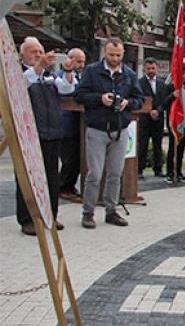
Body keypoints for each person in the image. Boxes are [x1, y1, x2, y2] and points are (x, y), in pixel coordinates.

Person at [75, 37, 144, 229]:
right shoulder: (92, 71)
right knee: (95, 174)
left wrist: (127, 103)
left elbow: (139, 99)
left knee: (115, 173)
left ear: (123, 54)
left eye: (118, 55)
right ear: (105, 52)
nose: (115, 58)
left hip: (120, 129)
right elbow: (79, 96)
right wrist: (100, 99)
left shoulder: (129, 74)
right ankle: (88, 212)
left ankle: (111, 210)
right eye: (111, 54)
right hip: (97, 129)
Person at [16, 37, 76, 235]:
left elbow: (67, 89)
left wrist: (68, 71)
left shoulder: (49, 75)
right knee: (28, 177)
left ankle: (50, 214)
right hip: (29, 134)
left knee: (51, 176)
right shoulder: (18, 73)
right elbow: (19, 87)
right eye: (33, 52)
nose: (38, 55)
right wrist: (38, 67)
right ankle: (27, 219)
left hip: (52, 131)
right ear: (22, 54)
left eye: (40, 51)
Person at [57, 48, 86, 202]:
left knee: (78, 158)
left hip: (80, 123)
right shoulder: (60, 76)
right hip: (66, 124)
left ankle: (70, 185)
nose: (81, 65)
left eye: (83, 62)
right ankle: (63, 187)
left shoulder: (83, 77)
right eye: (78, 61)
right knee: (69, 159)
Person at [163, 63, 185, 184]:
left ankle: (179, 171)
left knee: (181, 149)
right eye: (183, 73)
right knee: (173, 148)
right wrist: (173, 95)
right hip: (174, 122)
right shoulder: (170, 86)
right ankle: (170, 172)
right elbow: (164, 103)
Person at [137, 57, 168, 178]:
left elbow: (164, 100)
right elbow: (139, 99)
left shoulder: (162, 84)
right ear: (144, 69)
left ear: (157, 69)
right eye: (148, 68)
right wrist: (149, 111)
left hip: (158, 119)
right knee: (143, 145)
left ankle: (158, 169)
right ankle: (139, 169)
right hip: (144, 119)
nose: (151, 71)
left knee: (157, 145)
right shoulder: (139, 83)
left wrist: (158, 110)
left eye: (153, 68)